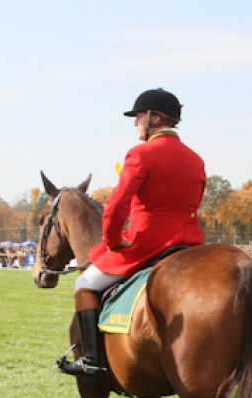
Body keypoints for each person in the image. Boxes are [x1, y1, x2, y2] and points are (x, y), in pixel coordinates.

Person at [58, 88, 206, 382]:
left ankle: (90, 361)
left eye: (137, 117)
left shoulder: (140, 153)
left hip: (147, 244)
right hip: (189, 244)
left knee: (85, 283)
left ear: (153, 117)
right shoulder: (195, 158)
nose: (135, 123)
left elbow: (117, 204)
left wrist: (112, 241)